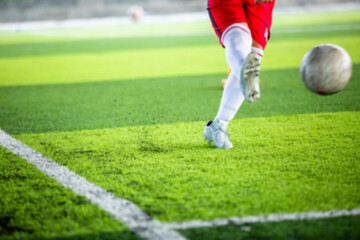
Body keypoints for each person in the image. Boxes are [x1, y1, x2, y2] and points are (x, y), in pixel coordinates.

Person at [204, 0, 275, 149]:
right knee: (238, 42)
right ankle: (220, 124)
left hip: (259, 4)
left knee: (251, 58)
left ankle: (218, 124)